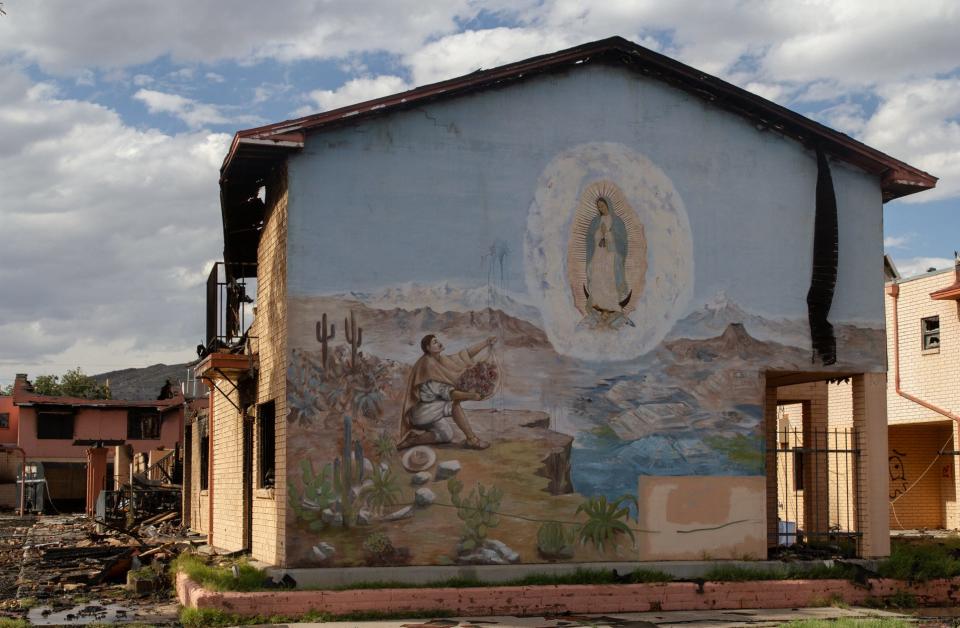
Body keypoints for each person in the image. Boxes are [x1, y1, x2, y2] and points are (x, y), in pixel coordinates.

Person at [398, 334, 496, 451]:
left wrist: (486, 342)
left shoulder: (440, 359)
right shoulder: (428, 365)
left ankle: (413, 439)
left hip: (432, 409)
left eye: (438, 340)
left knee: (446, 435)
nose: (439, 343)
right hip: (422, 412)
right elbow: (448, 393)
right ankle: (472, 439)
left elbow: (464, 355)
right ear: (428, 348)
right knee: (453, 404)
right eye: (434, 342)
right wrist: (471, 395)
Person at [582, 197, 633, 329]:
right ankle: (598, 305)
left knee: (609, 279)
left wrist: (608, 234)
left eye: (603, 206)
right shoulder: (595, 221)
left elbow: (622, 242)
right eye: (599, 207)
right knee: (597, 278)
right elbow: (590, 240)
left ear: (608, 205)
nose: (601, 208)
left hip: (610, 255)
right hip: (599, 254)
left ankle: (611, 306)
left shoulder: (617, 222)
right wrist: (599, 234)